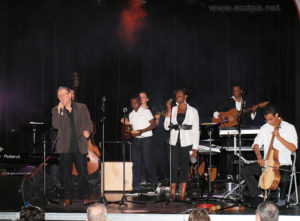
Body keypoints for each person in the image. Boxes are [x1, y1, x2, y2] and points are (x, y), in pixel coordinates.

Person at [241, 104, 298, 206]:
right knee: (245, 170)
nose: (269, 122)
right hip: (267, 164)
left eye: (271, 119)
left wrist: (278, 137)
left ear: (277, 115)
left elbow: (293, 148)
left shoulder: (289, 128)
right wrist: (259, 157)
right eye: (267, 120)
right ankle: (258, 195)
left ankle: (282, 198)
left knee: (285, 178)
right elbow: (256, 144)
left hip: (283, 164)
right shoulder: (264, 128)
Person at [52, 86, 92, 206]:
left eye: (63, 94)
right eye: (58, 95)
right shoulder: (56, 109)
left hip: (79, 145)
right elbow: (55, 125)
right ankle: (68, 198)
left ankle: (86, 197)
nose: (60, 97)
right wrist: (60, 111)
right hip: (65, 147)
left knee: (83, 174)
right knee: (66, 175)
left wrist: (88, 131)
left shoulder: (81, 107)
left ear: (69, 95)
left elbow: (88, 122)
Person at [164, 88, 199, 200]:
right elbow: (166, 127)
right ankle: (173, 194)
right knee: (173, 167)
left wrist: (195, 148)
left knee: (184, 168)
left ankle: (183, 194)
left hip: (187, 142)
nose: (177, 98)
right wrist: (168, 110)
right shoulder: (173, 109)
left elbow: (196, 130)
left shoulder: (193, 111)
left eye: (180, 96)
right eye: (176, 96)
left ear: (185, 97)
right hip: (174, 142)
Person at [126, 95, 158, 193]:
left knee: (148, 163)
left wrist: (142, 131)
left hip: (146, 139)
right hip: (137, 141)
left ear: (140, 102)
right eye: (132, 104)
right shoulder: (131, 114)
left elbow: (153, 125)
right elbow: (131, 128)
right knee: (135, 164)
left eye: (135, 103)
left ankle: (154, 183)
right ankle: (135, 187)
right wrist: (132, 133)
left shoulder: (146, 111)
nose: (133, 105)